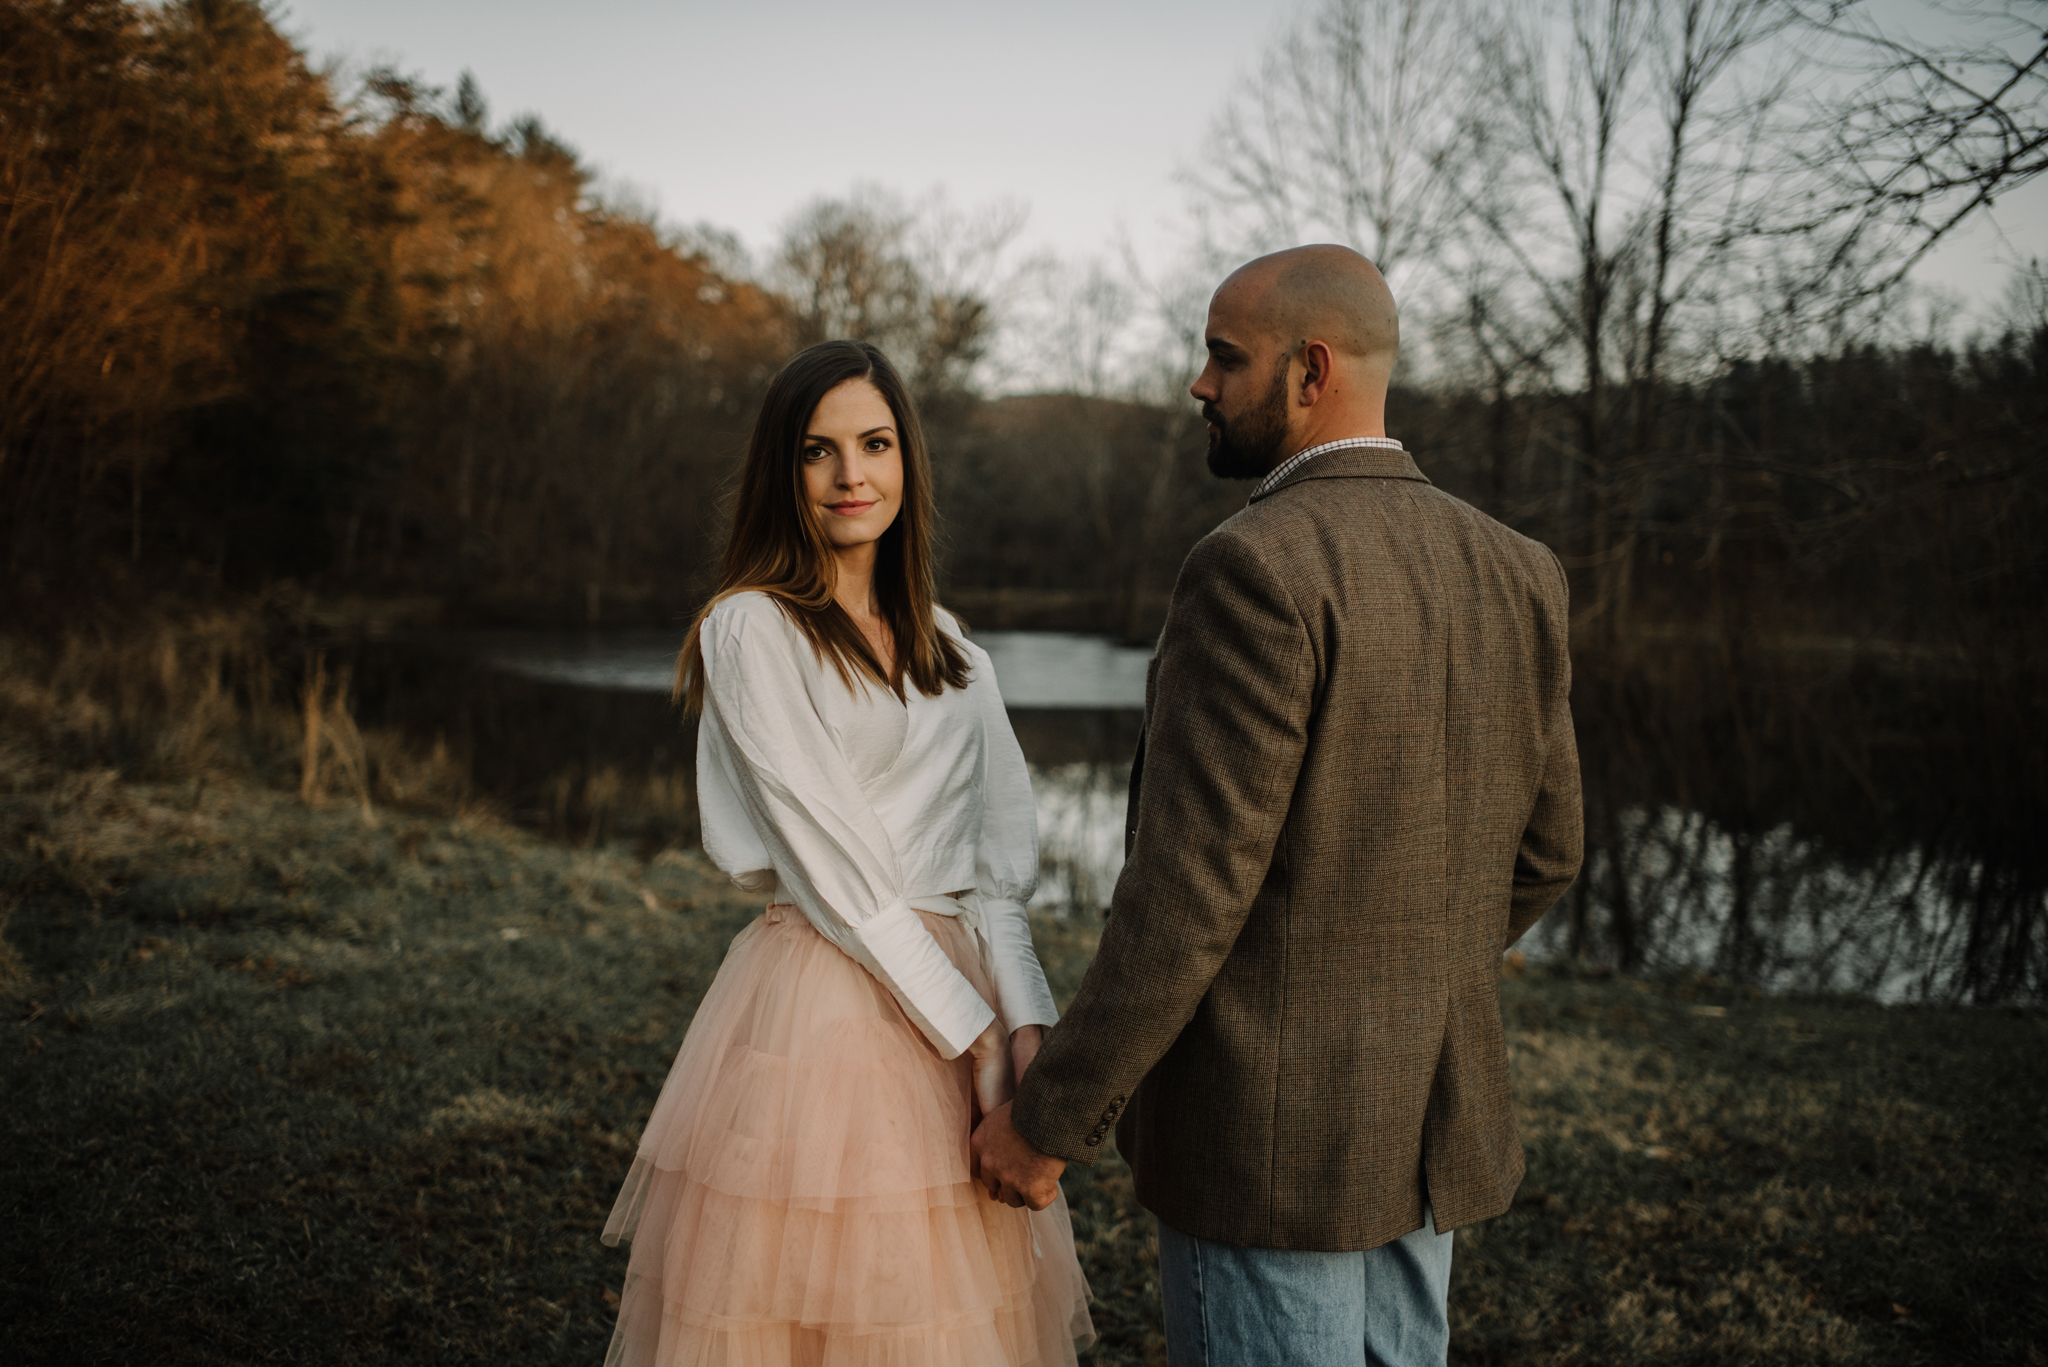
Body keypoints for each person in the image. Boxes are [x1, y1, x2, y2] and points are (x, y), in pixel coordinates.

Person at [972, 245, 1584, 1367]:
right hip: (1424, 1124)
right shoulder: (1518, 568)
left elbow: (1184, 899)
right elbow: (1546, 853)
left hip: (1263, 1147)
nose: (1197, 384)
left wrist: (1046, 1118)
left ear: (1310, 371)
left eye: (1221, 355)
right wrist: (1388, 978)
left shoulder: (1252, 566)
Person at [601, 340, 1094, 1367]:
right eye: (817, 451)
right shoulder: (751, 629)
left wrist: (1027, 1019)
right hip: (827, 996)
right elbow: (836, 865)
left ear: (907, 460)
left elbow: (995, 865)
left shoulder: (954, 645)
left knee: (942, 1311)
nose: (849, 476)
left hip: (961, 987)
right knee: (810, 1306)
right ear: (783, 472)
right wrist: (971, 1038)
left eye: (873, 444)